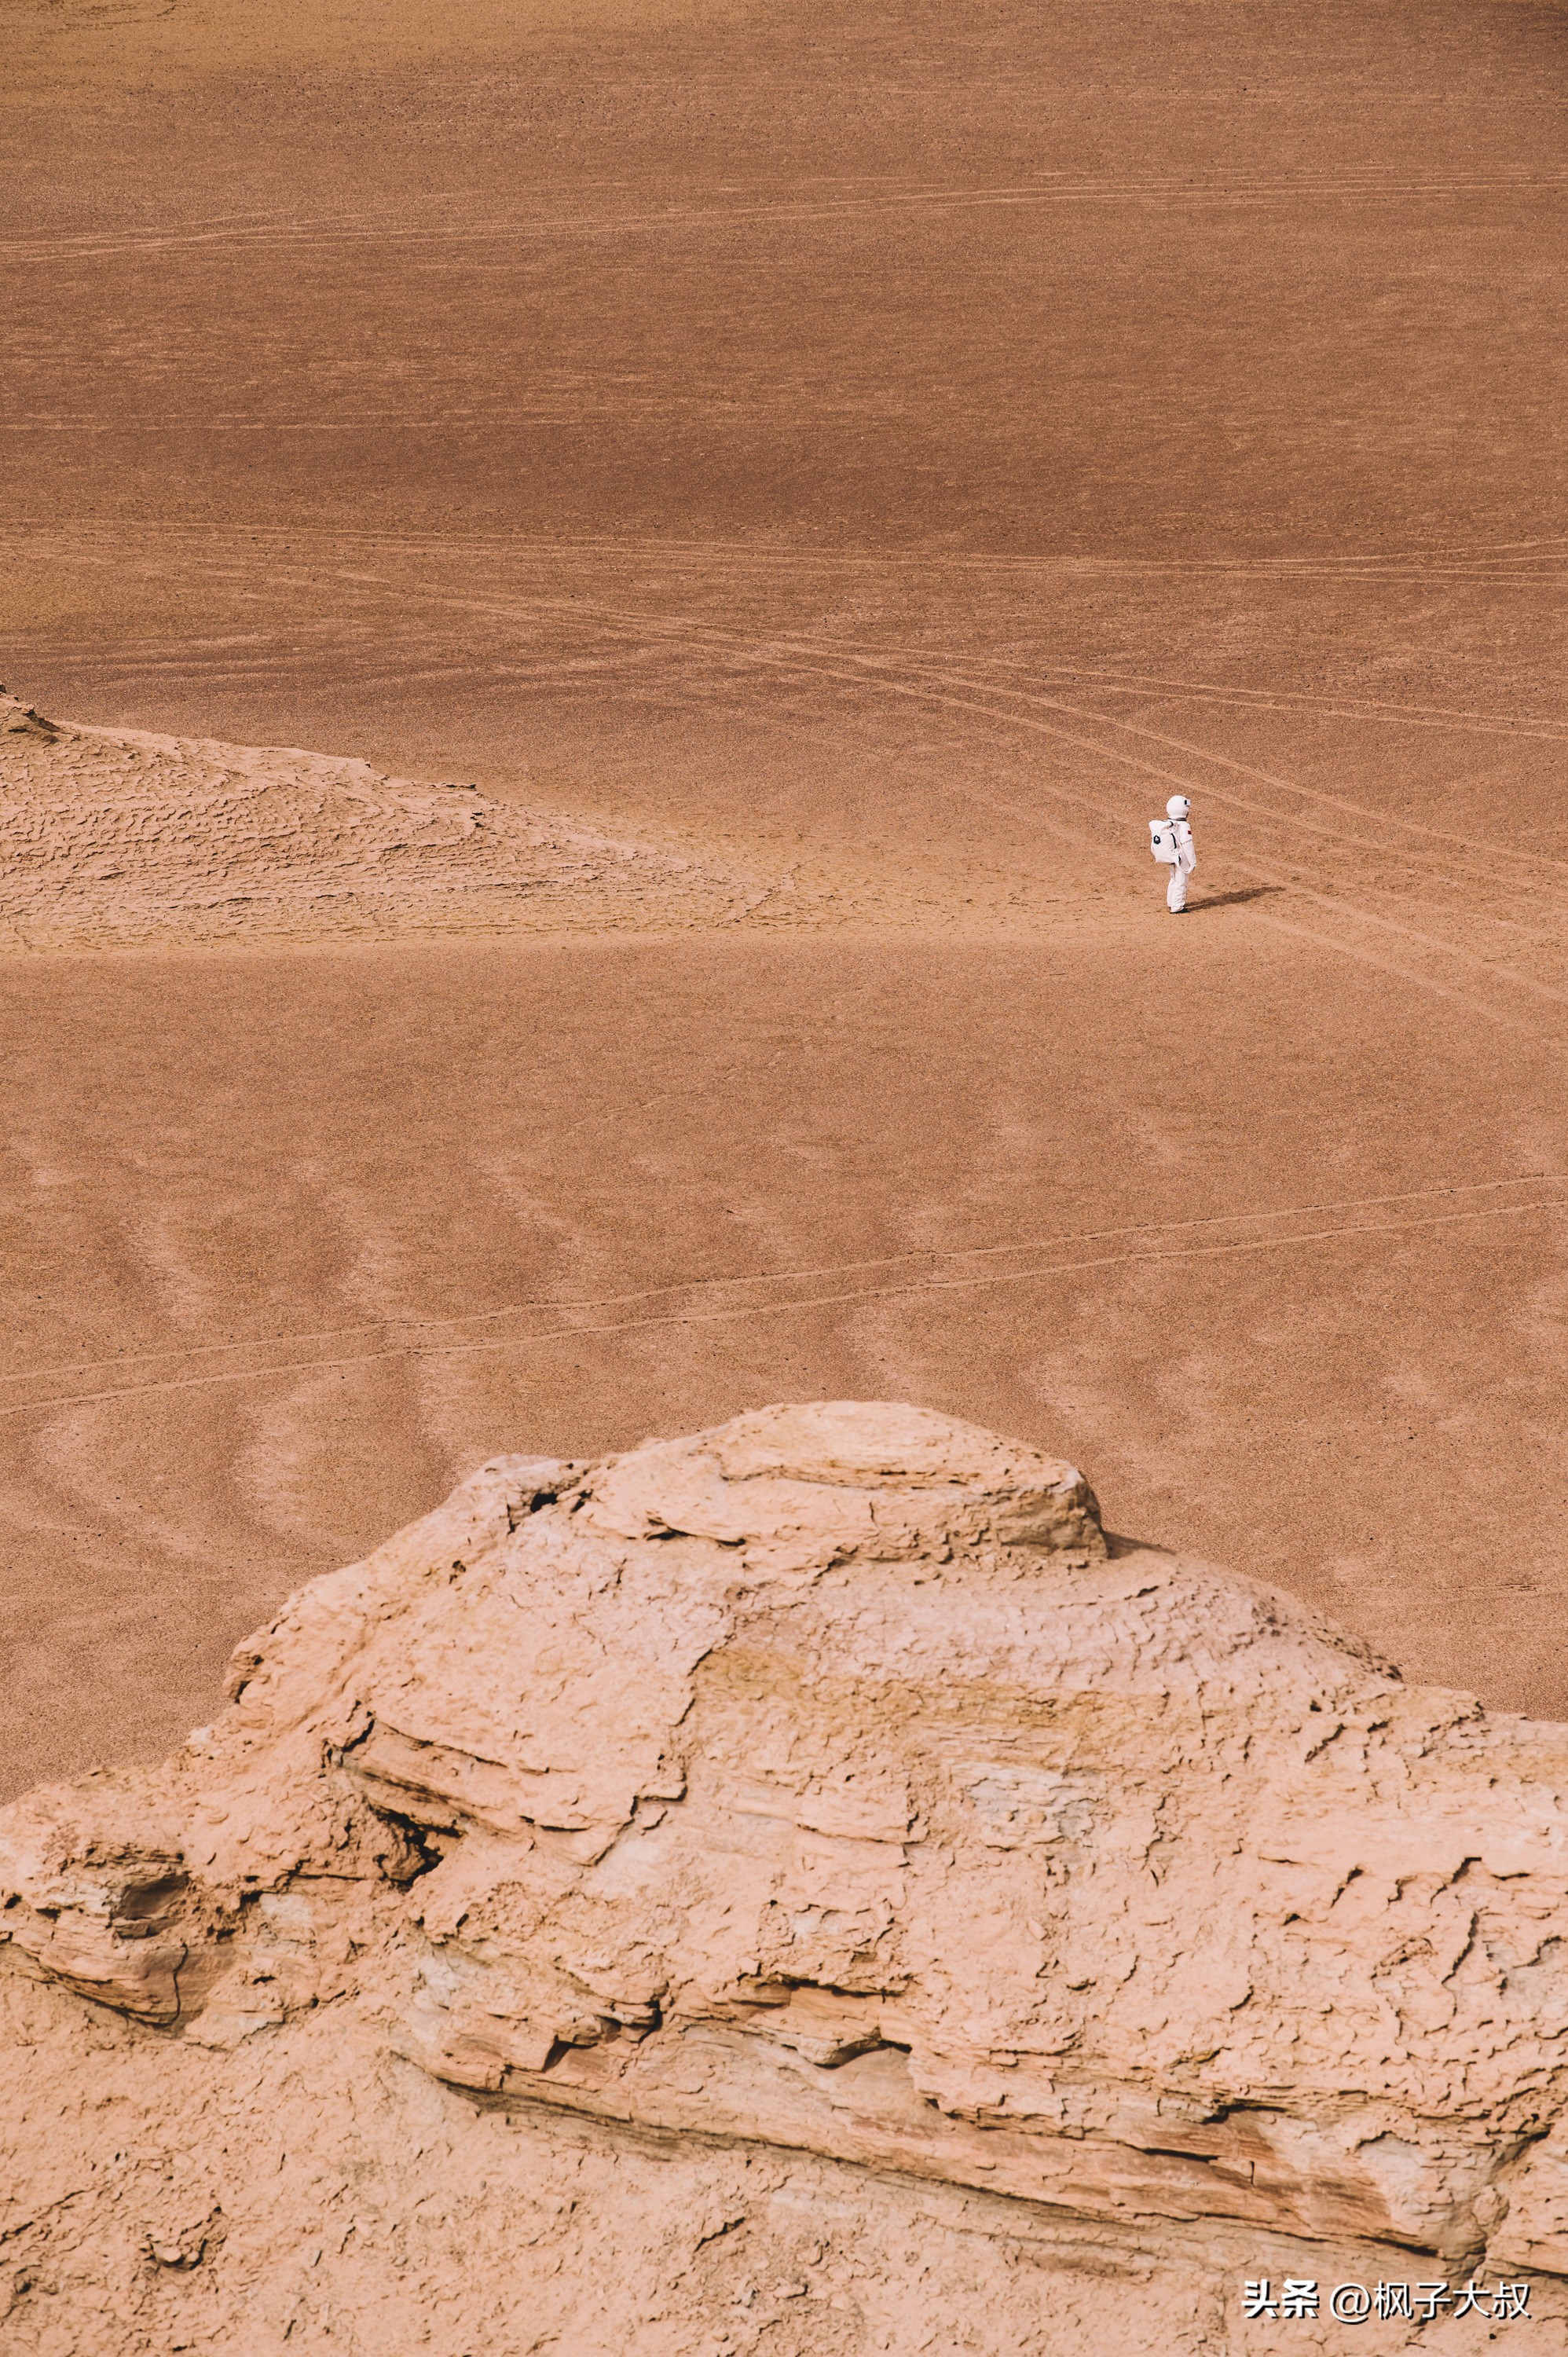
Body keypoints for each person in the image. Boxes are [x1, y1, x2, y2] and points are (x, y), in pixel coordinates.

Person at [1149, 794, 1196, 912]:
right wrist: (1193, 862)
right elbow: (1187, 844)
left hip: (1172, 855)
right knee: (1181, 881)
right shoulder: (1184, 825)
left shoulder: (1169, 824)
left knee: (1173, 878)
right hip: (1182, 857)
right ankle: (1177, 906)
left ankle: (1171, 902)